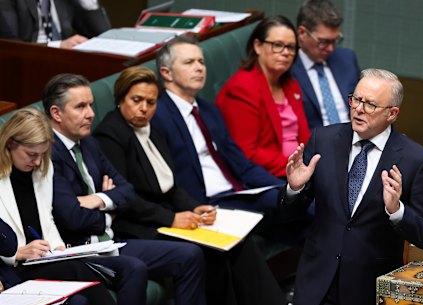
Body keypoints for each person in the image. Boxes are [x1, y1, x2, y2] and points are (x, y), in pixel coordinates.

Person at [93, 65, 287, 305]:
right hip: (138, 227)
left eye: (151, 102)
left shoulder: (152, 128)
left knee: (236, 239)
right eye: (136, 100)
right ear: (121, 99)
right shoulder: (110, 135)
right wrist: (171, 219)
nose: (144, 108)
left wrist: (195, 207)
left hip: (165, 218)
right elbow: (126, 199)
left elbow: (171, 186)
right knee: (211, 250)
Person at [43, 73, 207, 305]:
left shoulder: (88, 142)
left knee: (190, 255)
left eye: (90, 105)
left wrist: (99, 199)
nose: (90, 113)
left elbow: (127, 191)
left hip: (110, 242)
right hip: (79, 251)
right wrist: (111, 209)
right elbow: (72, 217)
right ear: (56, 113)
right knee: (134, 268)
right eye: (80, 107)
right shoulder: (47, 153)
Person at [282, 69, 423, 305]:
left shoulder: (415, 160)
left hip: (367, 289)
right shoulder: (323, 140)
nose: (358, 109)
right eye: (356, 99)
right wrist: (294, 189)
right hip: (316, 283)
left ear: (392, 114)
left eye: (370, 105)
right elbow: (287, 216)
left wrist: (397, 210)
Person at [152, 35, 310, 245]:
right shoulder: (158, 115)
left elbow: (241, 164)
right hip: (205, 203)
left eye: (201, 62)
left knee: (303, 206)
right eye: (189, 62)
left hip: (238, 193)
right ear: (166, 72)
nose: (199, 68)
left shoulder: (209, 111)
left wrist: (285, 187)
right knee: (301, 206)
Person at [0, 108, 116, 305]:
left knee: (87, 279)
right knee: (77, 271)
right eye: (31, 154)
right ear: (10, 144)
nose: (37, 162)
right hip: (13, 265)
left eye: (42, 154)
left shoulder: (42, 168)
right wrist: (17, 252)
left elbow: (47, 217)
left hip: (42, 258)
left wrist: (57, 248)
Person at [216, 16, 311, 178]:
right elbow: (247, 153)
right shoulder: (242, 88)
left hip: (298, 169)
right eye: (278, 45)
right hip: (267, 176)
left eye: (291, 47)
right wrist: (296, 167)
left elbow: (303, 136)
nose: (286, 53)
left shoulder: (290, 84)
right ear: (257, 46)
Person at [291, 0, 361, 129]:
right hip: (313, 144)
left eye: (335, 41)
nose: (330, 48)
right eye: (323, 42)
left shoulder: (347, 59)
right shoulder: (287, 67)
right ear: (302, 33)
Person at [0, 0, 110, 49]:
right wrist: (57, 46)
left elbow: (101, 34)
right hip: (25, 64)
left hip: (64, 61)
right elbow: (10, 44)